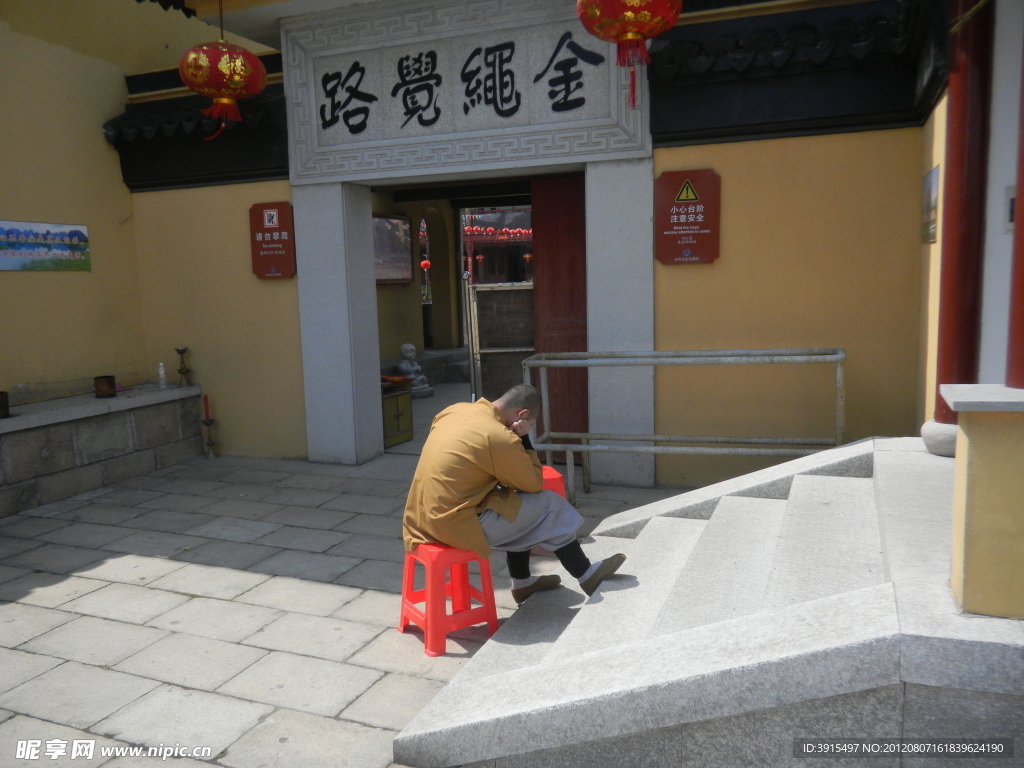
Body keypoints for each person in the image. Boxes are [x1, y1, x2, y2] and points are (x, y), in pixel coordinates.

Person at [403, 383, 626, 604]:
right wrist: (523, 439)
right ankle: (586, 574)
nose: (528, 427)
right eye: (530, 424)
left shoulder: (453, 410)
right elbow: (534, 483)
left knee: (516, 504)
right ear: (523, 414)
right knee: (549, 505)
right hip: (454, 526)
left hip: (419, 518)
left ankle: (523, 584)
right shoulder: (500, 437)